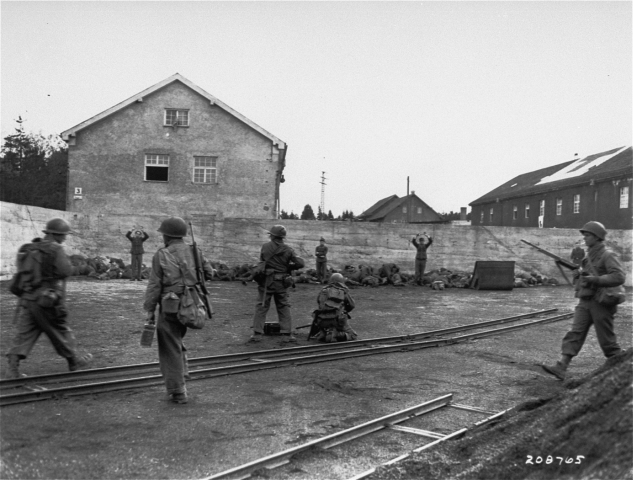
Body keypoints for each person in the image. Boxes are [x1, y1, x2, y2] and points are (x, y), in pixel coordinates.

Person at [6, 218, 93, 378]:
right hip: (47, 300)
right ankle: (74, 361)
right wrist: (76, 267)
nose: (65, 238)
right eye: (63, 235)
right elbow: (64, 271)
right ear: (56, 235)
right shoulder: (55, 249)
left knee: (25, 333)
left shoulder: (30, 248)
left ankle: (12, 368)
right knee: (60, 329)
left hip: (27, 299)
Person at [542, 221, 626, 380]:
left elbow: (619, 276)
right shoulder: (589, 256)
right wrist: (578, 277)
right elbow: (586, 276)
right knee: (575, 333)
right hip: (585, 301)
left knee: (607, 340)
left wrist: (595, 279)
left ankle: (623, 370)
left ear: (597, 237)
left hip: (601, 303)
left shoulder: (608, 255)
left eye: (587, 236)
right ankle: (562, 366)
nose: (584, 239)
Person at [143, 217, 214, 404]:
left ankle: (177, 391)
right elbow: (209, 273)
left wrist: (149, 309)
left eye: (163, 234)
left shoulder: (161, 254)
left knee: (169, 345)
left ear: (167, 236)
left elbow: (154, 286)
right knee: (176, 340)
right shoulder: (195, 251)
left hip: (170, 305)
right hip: (192, 304)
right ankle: (182, 374)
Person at [249, 225, 305, 343]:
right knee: (283, 306)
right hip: (282, 282)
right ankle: (286, 335)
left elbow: (262, 262)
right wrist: (288, 266)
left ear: (272, 236)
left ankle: (257, 334)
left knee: (261, 307)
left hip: (267, 282)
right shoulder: (288, 250)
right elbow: (300, 263)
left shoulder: (265, 247)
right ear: (282, 237)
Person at [309, 273, 357, 342]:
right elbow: (352, 305)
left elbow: (319, 304)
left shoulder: (323, 290)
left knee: (327, 321)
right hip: (337, 321)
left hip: (321, 320)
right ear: (341, 281)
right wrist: (344, 311)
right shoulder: (343, 291)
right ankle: (335, 334)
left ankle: (324, 332)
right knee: (353, 335)